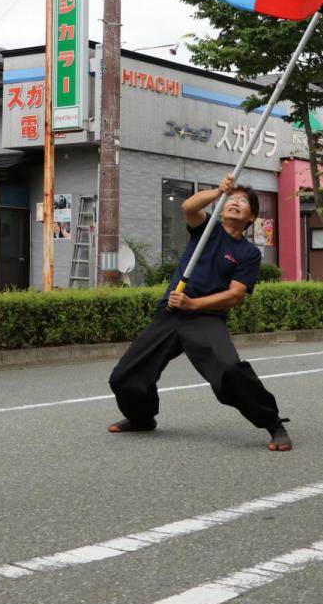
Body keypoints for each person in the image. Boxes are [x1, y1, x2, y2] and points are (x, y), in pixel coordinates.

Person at [107, 174, 292, 452]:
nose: (235, 203)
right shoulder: (207, 229)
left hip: (206, 318)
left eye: (243, 202)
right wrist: (219, 190)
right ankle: (141, 418)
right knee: (125, 375)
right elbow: (188, 208)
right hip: (170, 313)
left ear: (251, 217)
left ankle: (273, 423)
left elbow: (234, 295)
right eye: (233, 198)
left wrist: (194, 304)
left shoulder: (248, 253)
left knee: (230, 370)